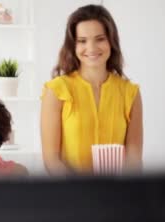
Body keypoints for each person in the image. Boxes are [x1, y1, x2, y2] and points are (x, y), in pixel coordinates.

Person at [40, 4, 142, 175]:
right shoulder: (56, 90)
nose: (92, 48)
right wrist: (81, 192)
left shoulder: (130, 92)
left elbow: (134, 157)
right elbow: (51, 159)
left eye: (100, 38)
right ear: (73, 45)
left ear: (111, 41)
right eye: (82, 41)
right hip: (71, 193)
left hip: (117, 194)